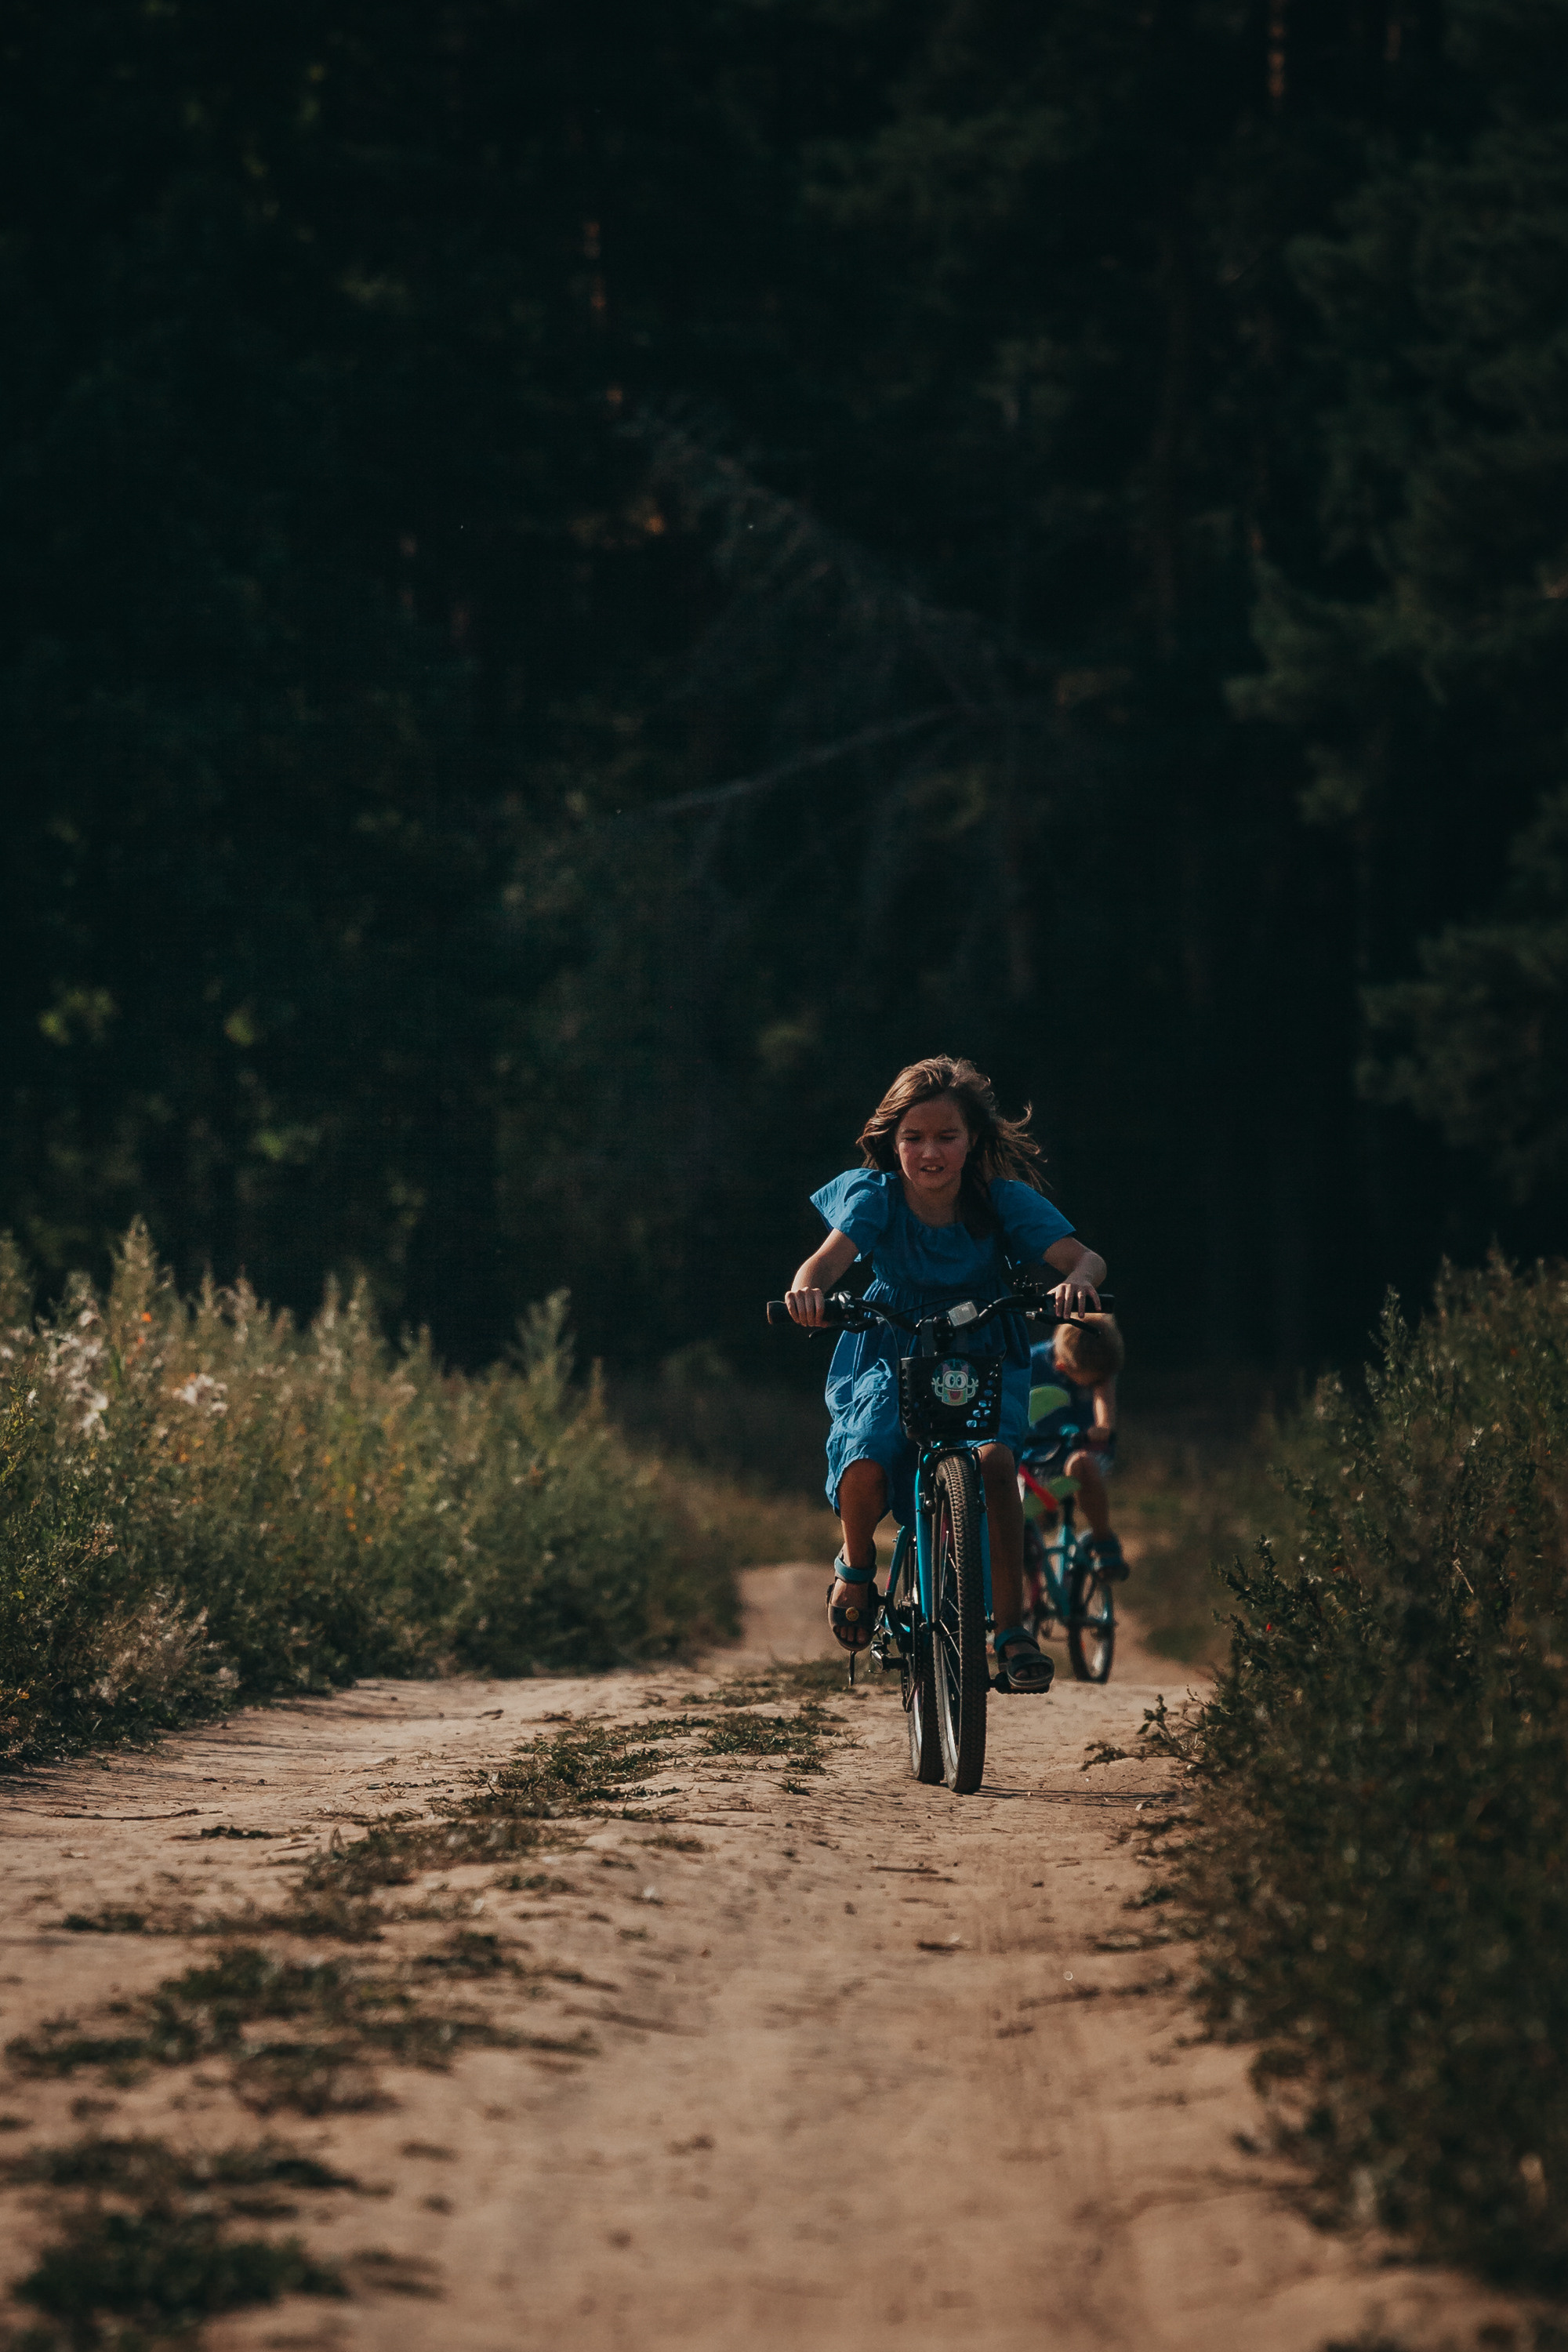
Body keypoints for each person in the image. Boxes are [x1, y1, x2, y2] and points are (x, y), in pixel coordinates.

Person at [784, 1054, 1107, 1695]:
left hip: (984, 1351)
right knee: (866, 1454)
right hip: (892, 1347)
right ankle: (857, 1567)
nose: (929, 1152)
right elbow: (823, 1264)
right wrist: (807, 1293)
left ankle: (1010, 1629)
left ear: (973, 1141)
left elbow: (1086, 1258)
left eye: (947, 1136)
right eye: (913, 1137)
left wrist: (1075, 1283)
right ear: (892, 1141)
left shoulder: (1001, 1200)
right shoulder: (875, 1197)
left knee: (995, 1462)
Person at [1020, 1315, 1127, 1593]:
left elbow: (1104, 1397)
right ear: (1063, 1368)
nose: (1100, 1383)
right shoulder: (1031, 1363)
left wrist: (1103, 1427)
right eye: (1092, 1381)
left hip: (1084, 1452)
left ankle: (1102, 1540)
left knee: (1082, 1464)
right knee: (1018, 1503)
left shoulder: (1097, 1365)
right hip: (1039, 1457)